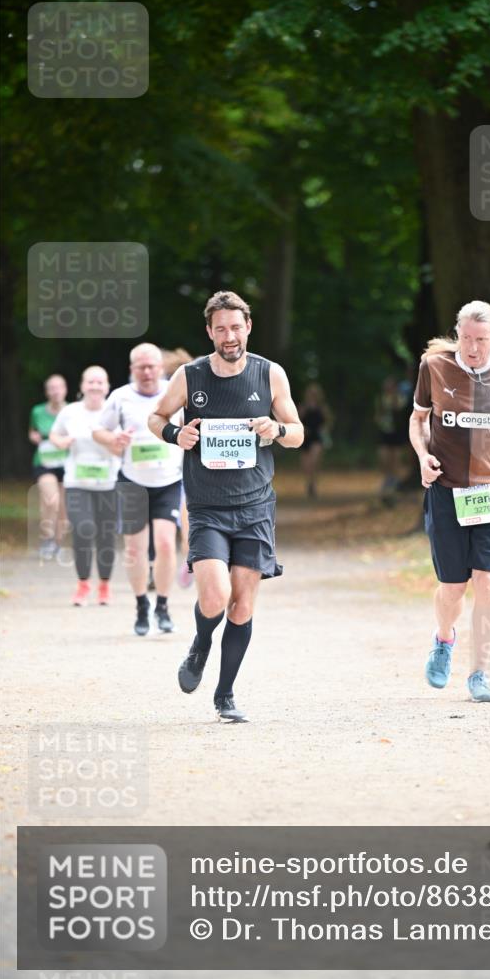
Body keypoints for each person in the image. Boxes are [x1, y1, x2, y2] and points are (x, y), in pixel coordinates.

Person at [148, 290, 304, 722]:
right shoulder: (190, 375)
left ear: (248, 327)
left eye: (236, 327)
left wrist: (276, 428)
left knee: (243, 604)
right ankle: (200, 646)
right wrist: (173, 435)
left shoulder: (270, 374)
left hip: (255, 507)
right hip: (207, 507)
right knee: (215, 597)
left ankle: (225, 695)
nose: (230, 336)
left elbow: (298, 433)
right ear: (209, 332)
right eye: (221, 329)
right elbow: (156, 417)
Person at [409, 299, 490, 703]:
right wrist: (422, 458)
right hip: (447, 489)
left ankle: (480, 672)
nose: (471, 347)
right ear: (457, 334)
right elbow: (418, 420)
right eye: (466, 338)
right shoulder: (434, 366)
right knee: (453, 586)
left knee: (488, 579)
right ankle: (444, 639)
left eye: (480, 340)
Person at [93, 343, 183, 636]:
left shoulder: (175, 391)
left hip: (169, 480)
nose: (146, 372)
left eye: (151, 366)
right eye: (140, 367)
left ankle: (163, 606)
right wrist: (113, 439)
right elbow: (98, 431)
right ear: (132, 369)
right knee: (135, 548)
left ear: (161, 367)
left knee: (167, 543)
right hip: (133, 481)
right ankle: (142, 604)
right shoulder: (120, 397)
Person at [49, 366, 120, 606]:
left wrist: (113, 445)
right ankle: (82, 584)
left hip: (108, 483)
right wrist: (63, 442)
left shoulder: (114, 412)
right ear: (82, 386)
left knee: (106, 537)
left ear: (107, 386)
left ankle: (104, 585)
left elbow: (122, 446)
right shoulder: (70, 412)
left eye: (100, 382)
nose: (95, 386)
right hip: (76, 482)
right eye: (91, 382)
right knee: (82, 529)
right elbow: (54, 435)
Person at [162, 348, 195, 588]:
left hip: (183, 472)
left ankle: (189, 561)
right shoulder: (164, 398)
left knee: (186, 523)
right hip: (169, 472)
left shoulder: (187, 396)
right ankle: (187, 560)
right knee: (181, 524)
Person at [29, 374, 69, 559]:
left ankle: (58, 544)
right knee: (50, 499)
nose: (55, 391)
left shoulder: (72, 410)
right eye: (51, 388)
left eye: (58, 387)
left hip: (67, 462)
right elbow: (32, 432)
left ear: (65, 389)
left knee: (63, 506)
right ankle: (47, 538)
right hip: (45, 462)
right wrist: (34, 437)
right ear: (47, 392)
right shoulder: (37, 411)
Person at [375, 375, 410, 503]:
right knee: (384, 458)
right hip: (385, 433)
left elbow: (398, 409)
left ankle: (393, 485)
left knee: (396, 459)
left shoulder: (400, 398)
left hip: (397, 434)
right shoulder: (380, 400)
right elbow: (377, 416)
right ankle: (387, 479)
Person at [298, 383, 332, 498]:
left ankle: (314, 483)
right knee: (306, 464)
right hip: (305, 437)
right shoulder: (303, 407)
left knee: (314, 460)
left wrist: (324, 428)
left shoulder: (322, 407)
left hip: (317, 437)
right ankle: (310, 482)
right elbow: (296, 420)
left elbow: (329, 420)